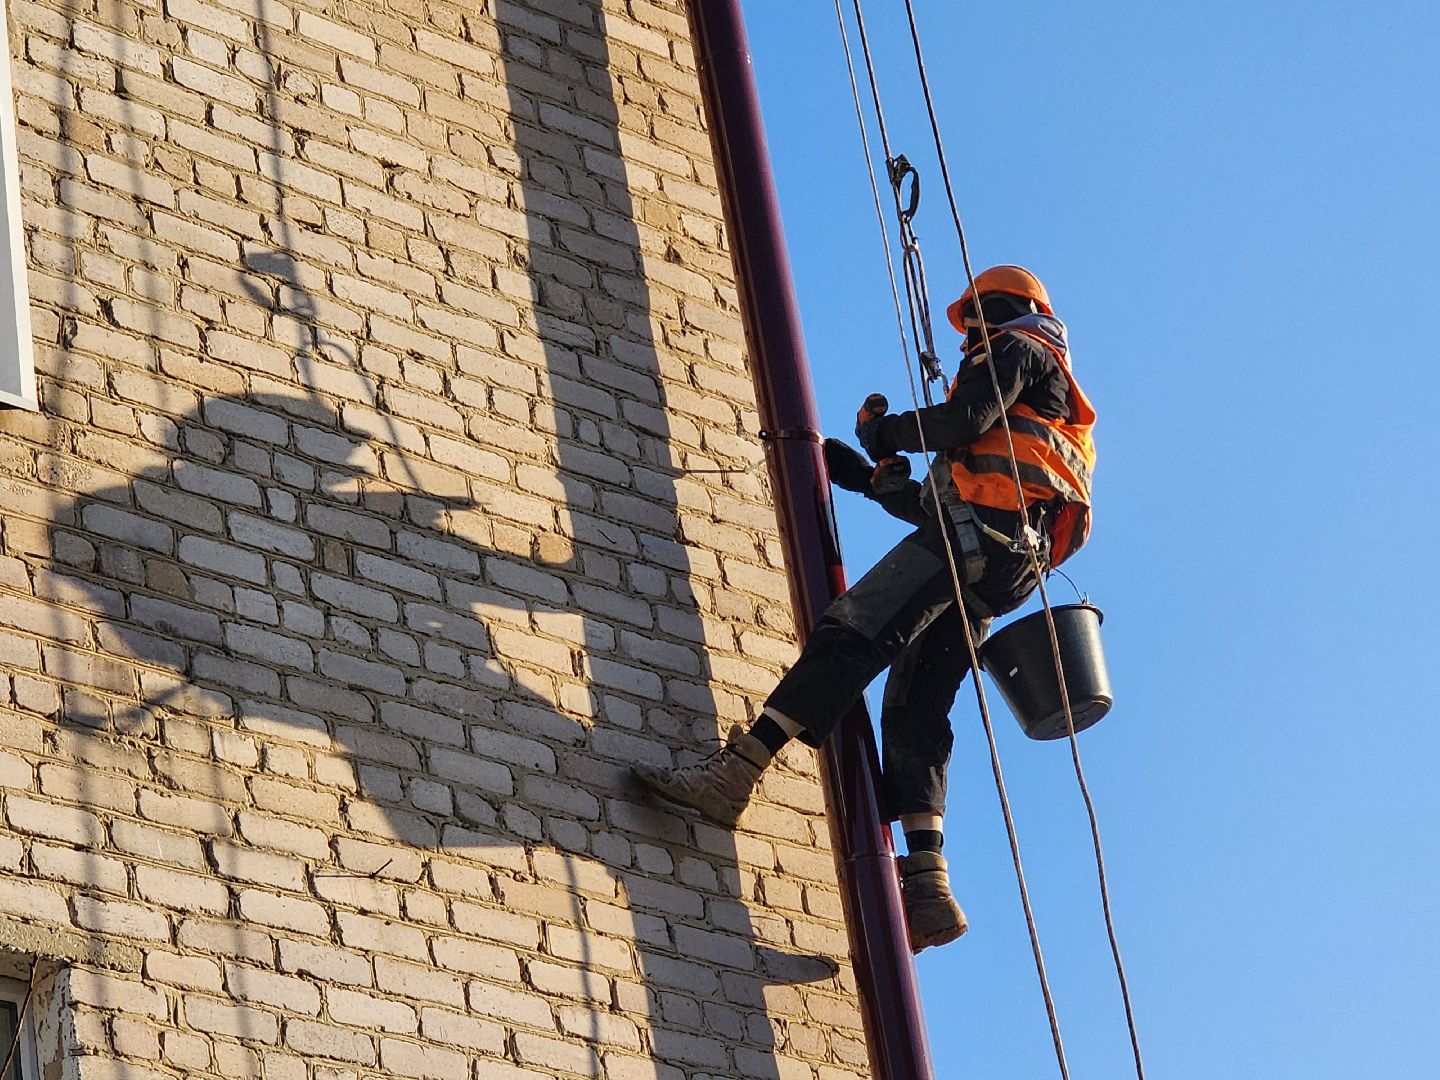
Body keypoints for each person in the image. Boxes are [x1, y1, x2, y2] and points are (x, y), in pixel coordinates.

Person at [634, 265, 1096, 952]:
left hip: (973, 541)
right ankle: (929, 885)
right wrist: (870, 481)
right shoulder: (1045, 403)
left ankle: (737, 772)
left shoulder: (1021, 351)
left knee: (852, 631)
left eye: (974, 320)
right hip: (1004, 566)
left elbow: (959, 420)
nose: (969, 336)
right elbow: (955, 487)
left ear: (1001, 310)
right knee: (914, 704)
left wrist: (889, 434)